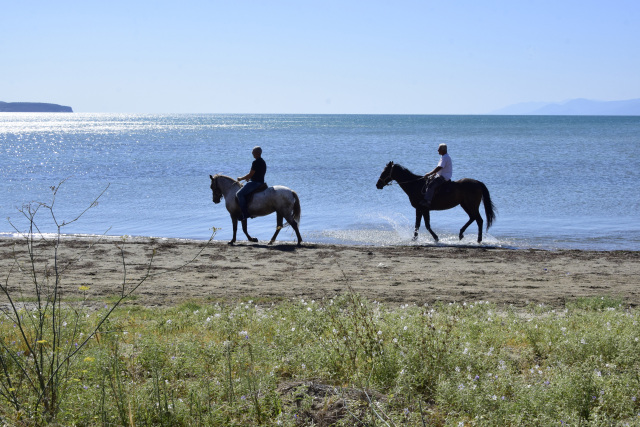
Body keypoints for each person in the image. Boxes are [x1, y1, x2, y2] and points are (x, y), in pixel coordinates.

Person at [236, 146, 267, 221]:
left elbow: (250, 174)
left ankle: (245, 213)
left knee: (239, 194)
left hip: (255, 183)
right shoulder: (263, 162)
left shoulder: (255, 162)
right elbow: (257, 173)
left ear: (257, 153)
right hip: (261, 182)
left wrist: (241, 178)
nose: (252, 154)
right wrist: (249, 178)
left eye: (253, 153)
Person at [419, 143, 452, 209]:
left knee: (431, 185)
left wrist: (429, 173)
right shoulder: (444, 156)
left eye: (439, 149)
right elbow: (440, 168)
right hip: (441, 175)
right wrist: (434, 174)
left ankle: (428, 201)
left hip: (444, 177)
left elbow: (439, 167)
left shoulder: (445, 158)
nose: (437, 150)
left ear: (443, 150)